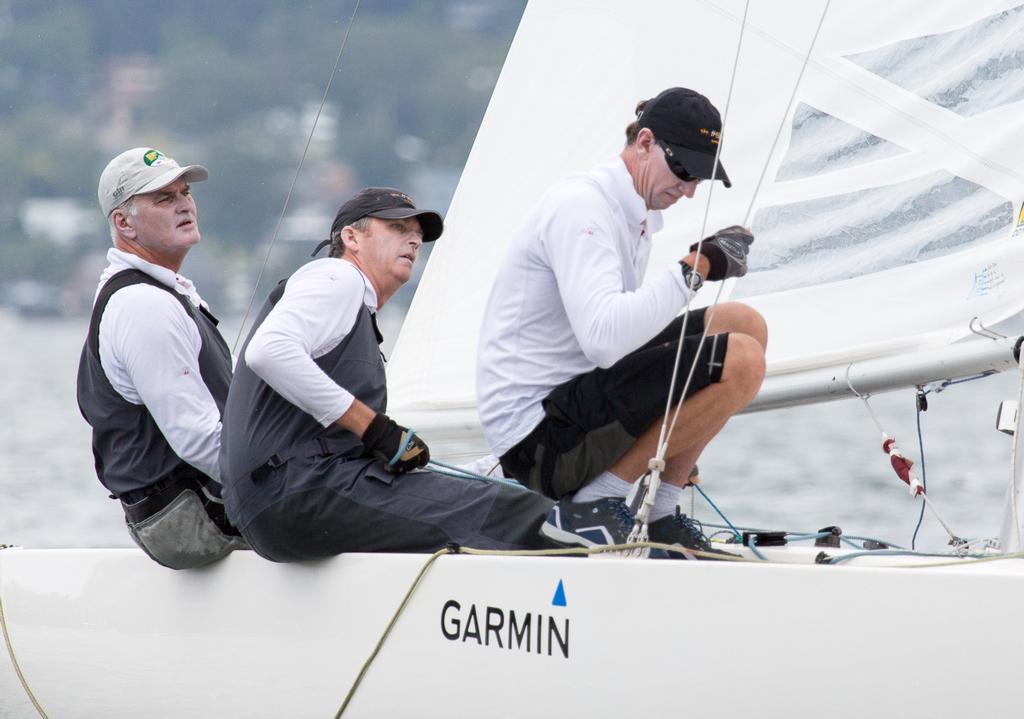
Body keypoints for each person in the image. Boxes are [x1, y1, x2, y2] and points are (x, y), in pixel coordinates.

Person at [218, 187, 633, 561]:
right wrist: (375, 429)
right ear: (351, 237)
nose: (414, 239)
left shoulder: (354, 310)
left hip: (282, 500)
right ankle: (615, 572)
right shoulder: (337, 277)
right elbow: (269, 352)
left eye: (417, 233)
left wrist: (501, 467)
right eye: (397, 227)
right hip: (295, 494)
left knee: (495, 493)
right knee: (523, 515)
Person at [476, 87, 768, 557]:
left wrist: (688, 424)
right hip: (537, 443)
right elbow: (606, 341)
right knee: (743, 361)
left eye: (700, 178)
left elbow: (625, 342)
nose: (690, 189)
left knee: (744, 324)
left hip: (574, 406)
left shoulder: (634, 214)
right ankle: (592, 504)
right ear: (645, 143)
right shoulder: (583, 209)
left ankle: (660, 511)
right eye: (684, 170)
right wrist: (698, 266)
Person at [77, 147, 246, 569]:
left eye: (185, 193)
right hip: (193, 523)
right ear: (123, 223)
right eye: (164, 198)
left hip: (198, 509)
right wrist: (285, 484)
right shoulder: (143, 305)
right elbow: (198, 438)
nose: (185, 204)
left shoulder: (161, 291)